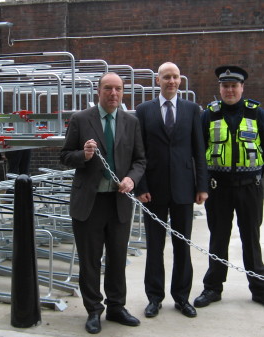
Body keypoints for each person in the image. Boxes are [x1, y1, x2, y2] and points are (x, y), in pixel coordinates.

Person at [60, 72, 146, 334]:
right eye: (108, 88)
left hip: (118, 202)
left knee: (118, 258)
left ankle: (117, 307)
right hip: (90, 201)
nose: (113, 93)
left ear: (123, 92)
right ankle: (93, 310)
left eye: (118, 89)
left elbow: (140, 160)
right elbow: (64, 156)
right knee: (90, 260)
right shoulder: (81, 119)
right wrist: (83, 155)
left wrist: (131, 179)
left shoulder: (131, 122)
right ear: (98, 91)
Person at [135, 62, 208, 319]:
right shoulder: (143, 111)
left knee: (182, 246)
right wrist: (140, 187)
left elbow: (199, 150)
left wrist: (202, 186)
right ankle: (154, 298)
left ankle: (182, 298)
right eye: (167, 77)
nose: (172, 81)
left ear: (180, 80)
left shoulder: (191, 110)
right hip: (152, 192)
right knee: (154, 247)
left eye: (175, 77)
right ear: (158, 80)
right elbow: (138, 152)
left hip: (184, 190)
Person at [194, 65, 264, 307]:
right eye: (225, 86)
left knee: (251, 239)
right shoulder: (209, 114)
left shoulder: (257, 113)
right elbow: (199, 154)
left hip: (250, 187)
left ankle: (259, 289)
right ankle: (213, 288)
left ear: (242, 87)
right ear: (220, 89)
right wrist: (201, 186)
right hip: (219, 188)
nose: (230, 90)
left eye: (234, 86)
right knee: (218, 238)